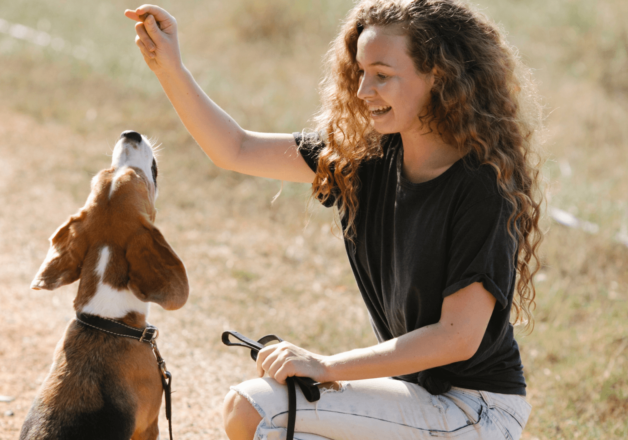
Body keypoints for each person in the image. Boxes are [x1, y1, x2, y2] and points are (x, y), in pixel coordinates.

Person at [125, 0, 543, 439]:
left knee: (252, 410)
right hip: (417, 398)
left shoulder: (482, 185)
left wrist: (325, 366)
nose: (364, 90)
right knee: (272, 422)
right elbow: (236, 148)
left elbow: (456, 338)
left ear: (438, 76)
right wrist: (169, 67)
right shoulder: (367, 159)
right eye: (361, 72)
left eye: (383, 75)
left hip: (475, 411)